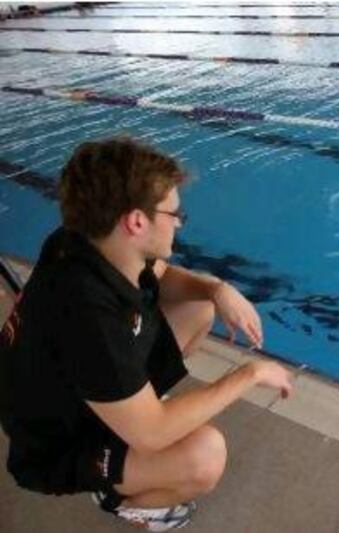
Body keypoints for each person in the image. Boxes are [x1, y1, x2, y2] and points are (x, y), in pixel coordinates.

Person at [0, 137, 293, 531]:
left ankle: (129, 415)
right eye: (175, 213)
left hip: (74, 390)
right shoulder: (88, 316)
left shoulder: (85, 241)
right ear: (136, 221)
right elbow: (153, 434)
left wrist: (216, 289)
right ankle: (118, 496)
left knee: (199, 307)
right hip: (58, 447)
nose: (179, 222)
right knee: (204, 455)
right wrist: (249, 374)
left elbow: (161, 274)